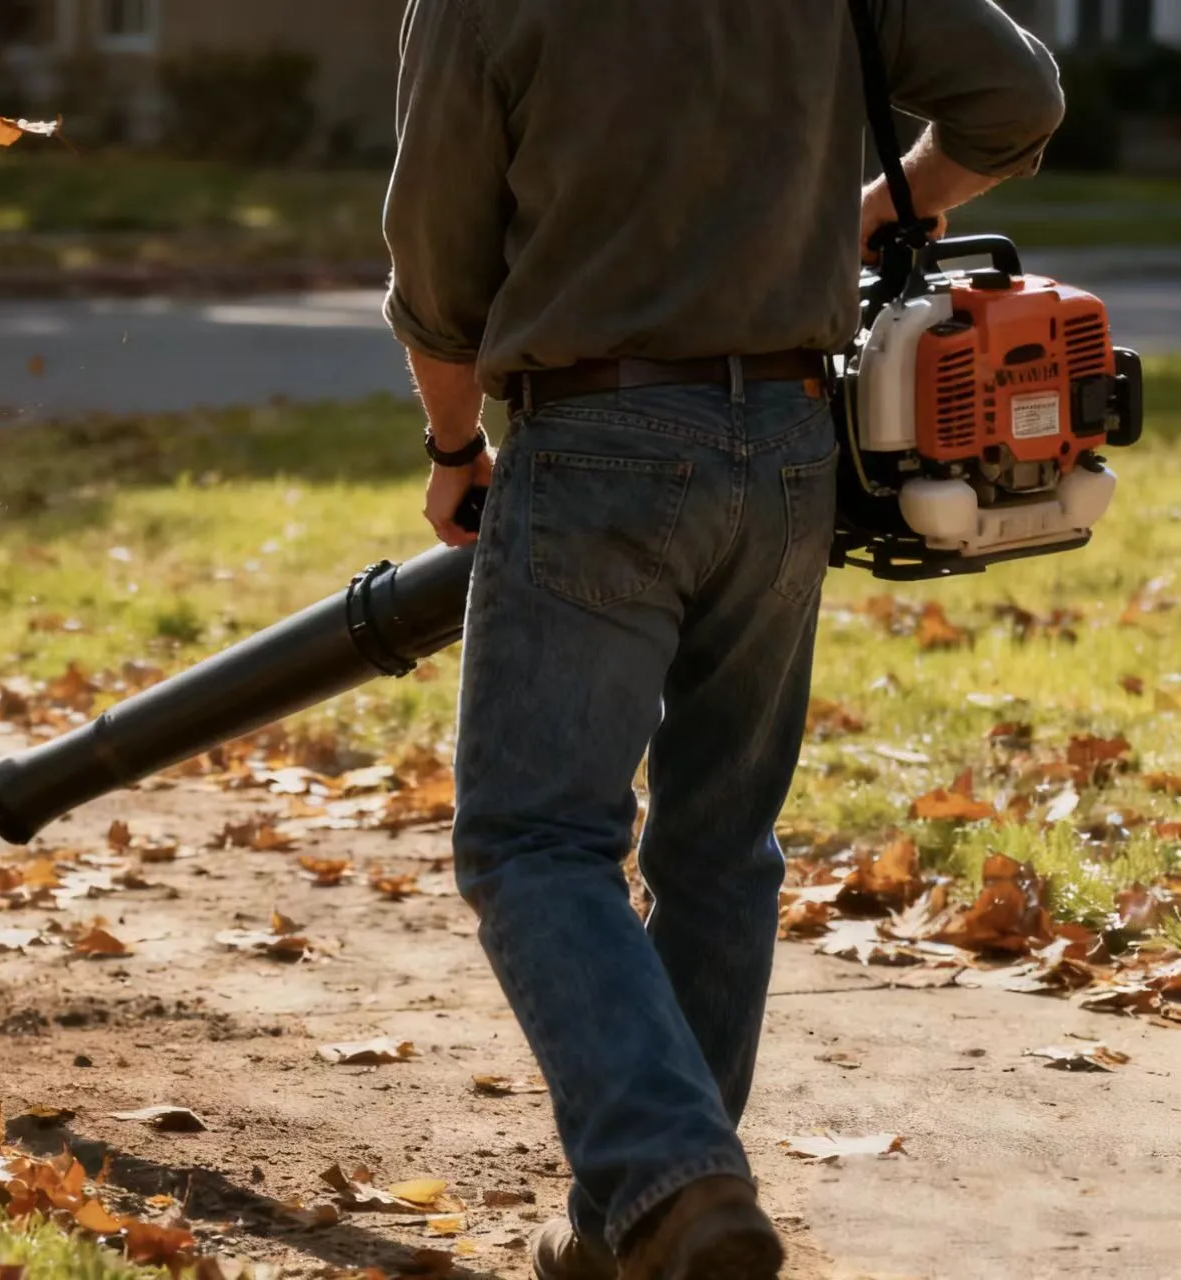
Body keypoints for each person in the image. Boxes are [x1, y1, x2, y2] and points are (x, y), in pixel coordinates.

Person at [380, 2, 1063, 1277]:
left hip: (592, 439)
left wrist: (452, 446)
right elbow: (1013, 100)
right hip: (794, 435)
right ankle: (626, 1227)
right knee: (716, 839)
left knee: (533, 839)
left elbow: (437, 269)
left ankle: (671, 1179)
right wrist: (885, 205)